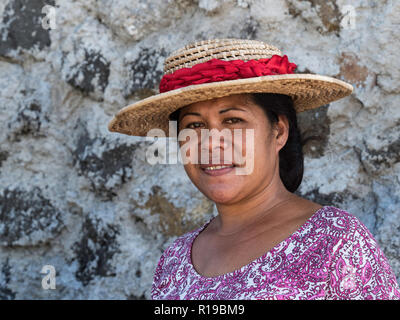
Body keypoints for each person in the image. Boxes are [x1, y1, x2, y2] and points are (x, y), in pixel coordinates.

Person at [108, 39, 400, 300]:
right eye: (194, 125)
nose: (211, 144)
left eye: (233, 121)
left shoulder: (335, 241)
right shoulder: (174, 260)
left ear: (279, 132)